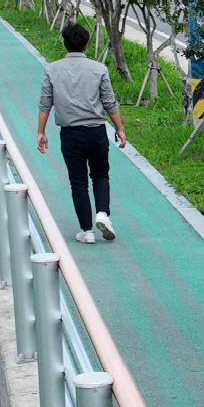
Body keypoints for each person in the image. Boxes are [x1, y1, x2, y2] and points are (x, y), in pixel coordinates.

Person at [36, 23, 127, 244]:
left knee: (78, 182)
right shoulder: (99, 70)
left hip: (70, 134)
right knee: (100, 174)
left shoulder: (51, 69)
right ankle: (103, 214)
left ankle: (87, 232)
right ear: (87, 44)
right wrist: (119, 128)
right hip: (96, 132)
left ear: (65, 44)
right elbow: (109, 102)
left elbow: (45, 103)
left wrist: (41, 132)